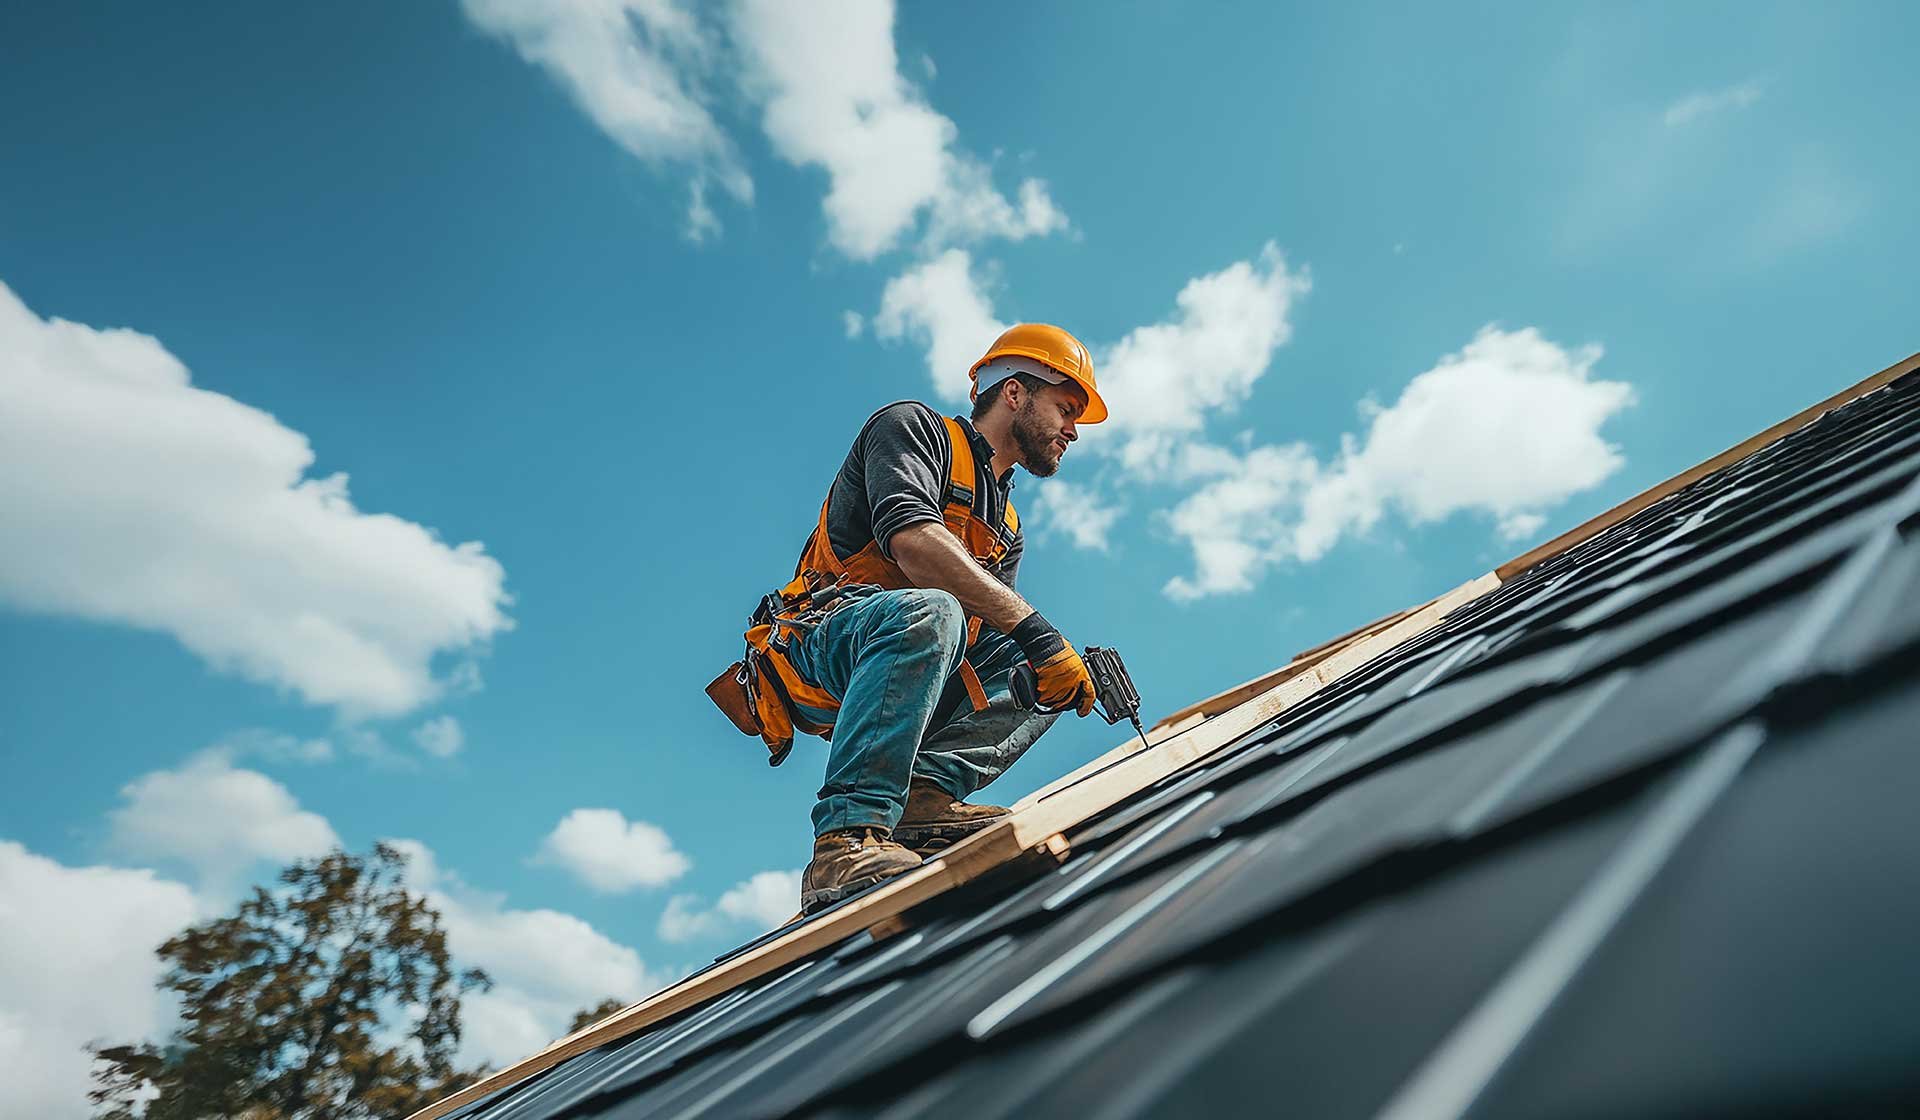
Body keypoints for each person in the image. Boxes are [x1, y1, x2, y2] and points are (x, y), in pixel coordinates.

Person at [722, 323, 1110, 914]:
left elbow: (994, 630)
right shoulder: (912, 429)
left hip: (913, 659)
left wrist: (1054, 664)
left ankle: (922, 801)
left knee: (1048, 664)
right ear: (1014, 394)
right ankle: (845, 840)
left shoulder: (1005, 525)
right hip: (824, 643)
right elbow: (914, 543)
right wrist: (1038, 632)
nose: (1073, 431)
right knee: (936, 611)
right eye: (1065, 407)